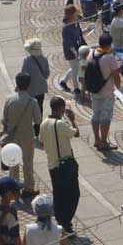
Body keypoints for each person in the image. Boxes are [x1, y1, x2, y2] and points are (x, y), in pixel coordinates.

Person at [41, 96, 80, 234]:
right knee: (73, 194)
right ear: (61, 108)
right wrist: (73, 119)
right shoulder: (61, 124)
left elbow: (41, 141)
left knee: (58, 194)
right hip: (65, 166)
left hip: (52, 165)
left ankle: (60, 221)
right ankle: (66, 222)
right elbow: (76, 133)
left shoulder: (44, 123)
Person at [0, 72, 41, 197]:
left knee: (13, 162)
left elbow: (4, 119)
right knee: (28, 162)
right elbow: (38, 120)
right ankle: (29, 188)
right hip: (27, 136)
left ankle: (13, 188)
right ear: (28, 85)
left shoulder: (9, 99)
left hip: (12, 136)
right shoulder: (32, 101)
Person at [88, 35, 122, 150]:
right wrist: (119, 89)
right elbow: (116, 75)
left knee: (95, 115)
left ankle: (97, 140)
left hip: (94, 90)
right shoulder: (109, 57)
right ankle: (104, 142)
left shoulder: (90, 54)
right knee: (105, 117)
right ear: (109, 45)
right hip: (107, 92)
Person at [20, 39, 50, 137]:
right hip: (41, 88)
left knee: (29, 108)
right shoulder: (44, 59)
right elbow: (46, 74)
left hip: (30, 89)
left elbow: (23, 74)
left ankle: (30, 127)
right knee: (39, 107)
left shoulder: (27, 60)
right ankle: (38, 127)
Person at [60, 5, 87, 95]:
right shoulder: (66, 28)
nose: (77, 14)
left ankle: (63, 81)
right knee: (75, 69)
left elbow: (79, 33)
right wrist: (76, 54)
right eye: (75, 13)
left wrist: (88, 29)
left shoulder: (75, 22)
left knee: (74, 67)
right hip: (70, 51)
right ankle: (76, 88)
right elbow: (69, 44)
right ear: (71, 14)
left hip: (77, 48)